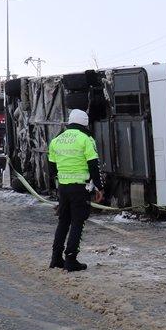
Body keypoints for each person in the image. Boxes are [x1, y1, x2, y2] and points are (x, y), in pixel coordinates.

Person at [47, 109, 103, 272]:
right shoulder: (86, 139)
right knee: (78, 222)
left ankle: (56, 258)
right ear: (85, 123)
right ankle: (71, 259)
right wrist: (99, 187)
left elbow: (51, 168)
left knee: (63, 221)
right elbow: (94, 165)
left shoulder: (56, 140)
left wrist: (57, 186)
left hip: (63, 188)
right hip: (80, 188)